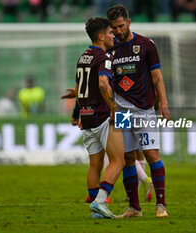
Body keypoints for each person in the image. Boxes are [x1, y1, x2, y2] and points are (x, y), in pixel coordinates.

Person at [107, 4, 170, 218]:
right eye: (114, 28)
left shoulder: (146, 45)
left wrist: (164, 103)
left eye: (121, 26)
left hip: (144, 110)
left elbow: (157, 77)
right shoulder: (110, 49)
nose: (118, 31)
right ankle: (134, 207)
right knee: (127, 158)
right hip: (122, 111)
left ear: (129, 22)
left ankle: (161, 205)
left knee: (152, 154)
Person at [61, 93, 154, 203]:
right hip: (125, 110)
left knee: (118, 155)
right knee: (127, 152)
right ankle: (135, 195)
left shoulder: (103, 77)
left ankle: (104, 196)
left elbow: (102, 85)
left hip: (114, 112)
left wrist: (82, 112)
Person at [75, 17, 125, 219]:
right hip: (103, 115)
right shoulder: (104, 57)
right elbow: (104, 84)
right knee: (119, 160)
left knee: (95, 163)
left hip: (86, 116)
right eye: (111, 33)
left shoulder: (83, 57)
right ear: (101, 36)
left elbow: (80, 89)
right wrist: (113, 107)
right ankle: (101, 201)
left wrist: (80, 112)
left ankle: (97, 210)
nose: (114, 35)